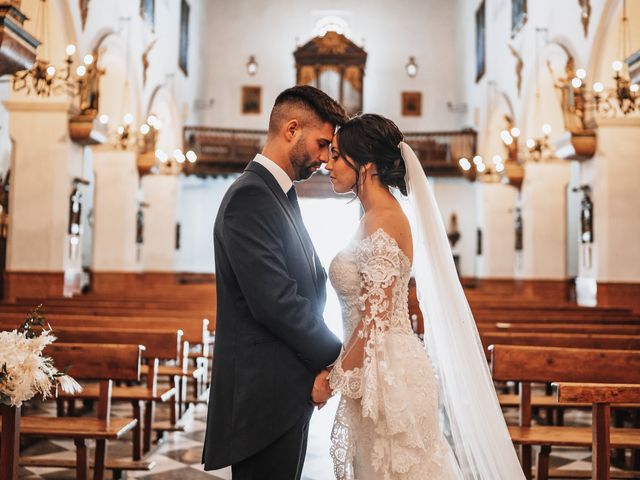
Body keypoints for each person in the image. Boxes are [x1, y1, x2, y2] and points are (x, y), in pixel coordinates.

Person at [324, 114, 525, 479]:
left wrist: (334, 378)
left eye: (336, 155)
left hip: (389, 375)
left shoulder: (382, 219)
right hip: (381, 366)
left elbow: (375, 318)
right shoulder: (374, 216)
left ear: (365, 164)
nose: (327, 162)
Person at [202, 85, 346, 479]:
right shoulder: (251, 197)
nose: (324, 157)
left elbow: (304, 286)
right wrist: (336, 356)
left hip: (282, 393)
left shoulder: (278, 194)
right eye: (321, 143)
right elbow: (275, 301)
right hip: (261, 401)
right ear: (291, 129)